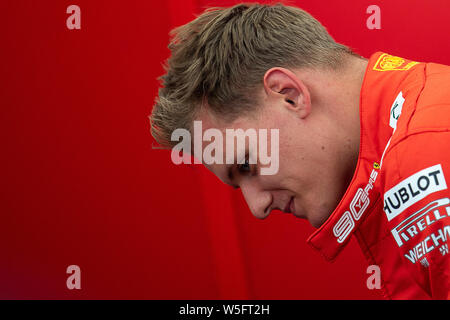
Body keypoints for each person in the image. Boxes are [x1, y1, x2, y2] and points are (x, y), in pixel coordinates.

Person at [149, 3, 450, 299]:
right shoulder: (411, 123)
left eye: (245, 164)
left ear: (288, 95)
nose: (257, 207)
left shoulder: (423, 162)